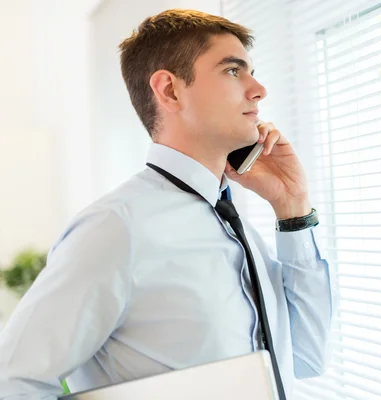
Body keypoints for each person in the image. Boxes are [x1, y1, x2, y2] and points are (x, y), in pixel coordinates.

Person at [0, 9, 335, 399]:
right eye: (233, 70)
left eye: (252, 71)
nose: (258, 89)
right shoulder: (115, 228)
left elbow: (306, 358)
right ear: (170, 90)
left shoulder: (237, 226)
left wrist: (293, 209)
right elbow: (13, 382)